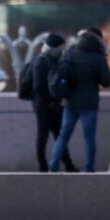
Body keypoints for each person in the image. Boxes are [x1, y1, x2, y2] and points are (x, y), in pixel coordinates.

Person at [49, 26, 110, 173]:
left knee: (63, 135)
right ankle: (89, 168)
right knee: (89, 138)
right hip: (89, 103)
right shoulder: (98, 57)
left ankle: (53, 165)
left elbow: (62, 71)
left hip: (70, 101)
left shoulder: (71, 52)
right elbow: (106, 82)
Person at [30, 33, 78, 173]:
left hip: (54, 105)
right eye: (60, 48)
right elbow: (38, 87)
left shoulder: (53, 61)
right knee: (43, 136)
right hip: (43, 106)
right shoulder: (41, 62)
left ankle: (68, 165)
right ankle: (43, 166)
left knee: (59, 135)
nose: (62, 51)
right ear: (53, 48)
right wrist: (49, 101)